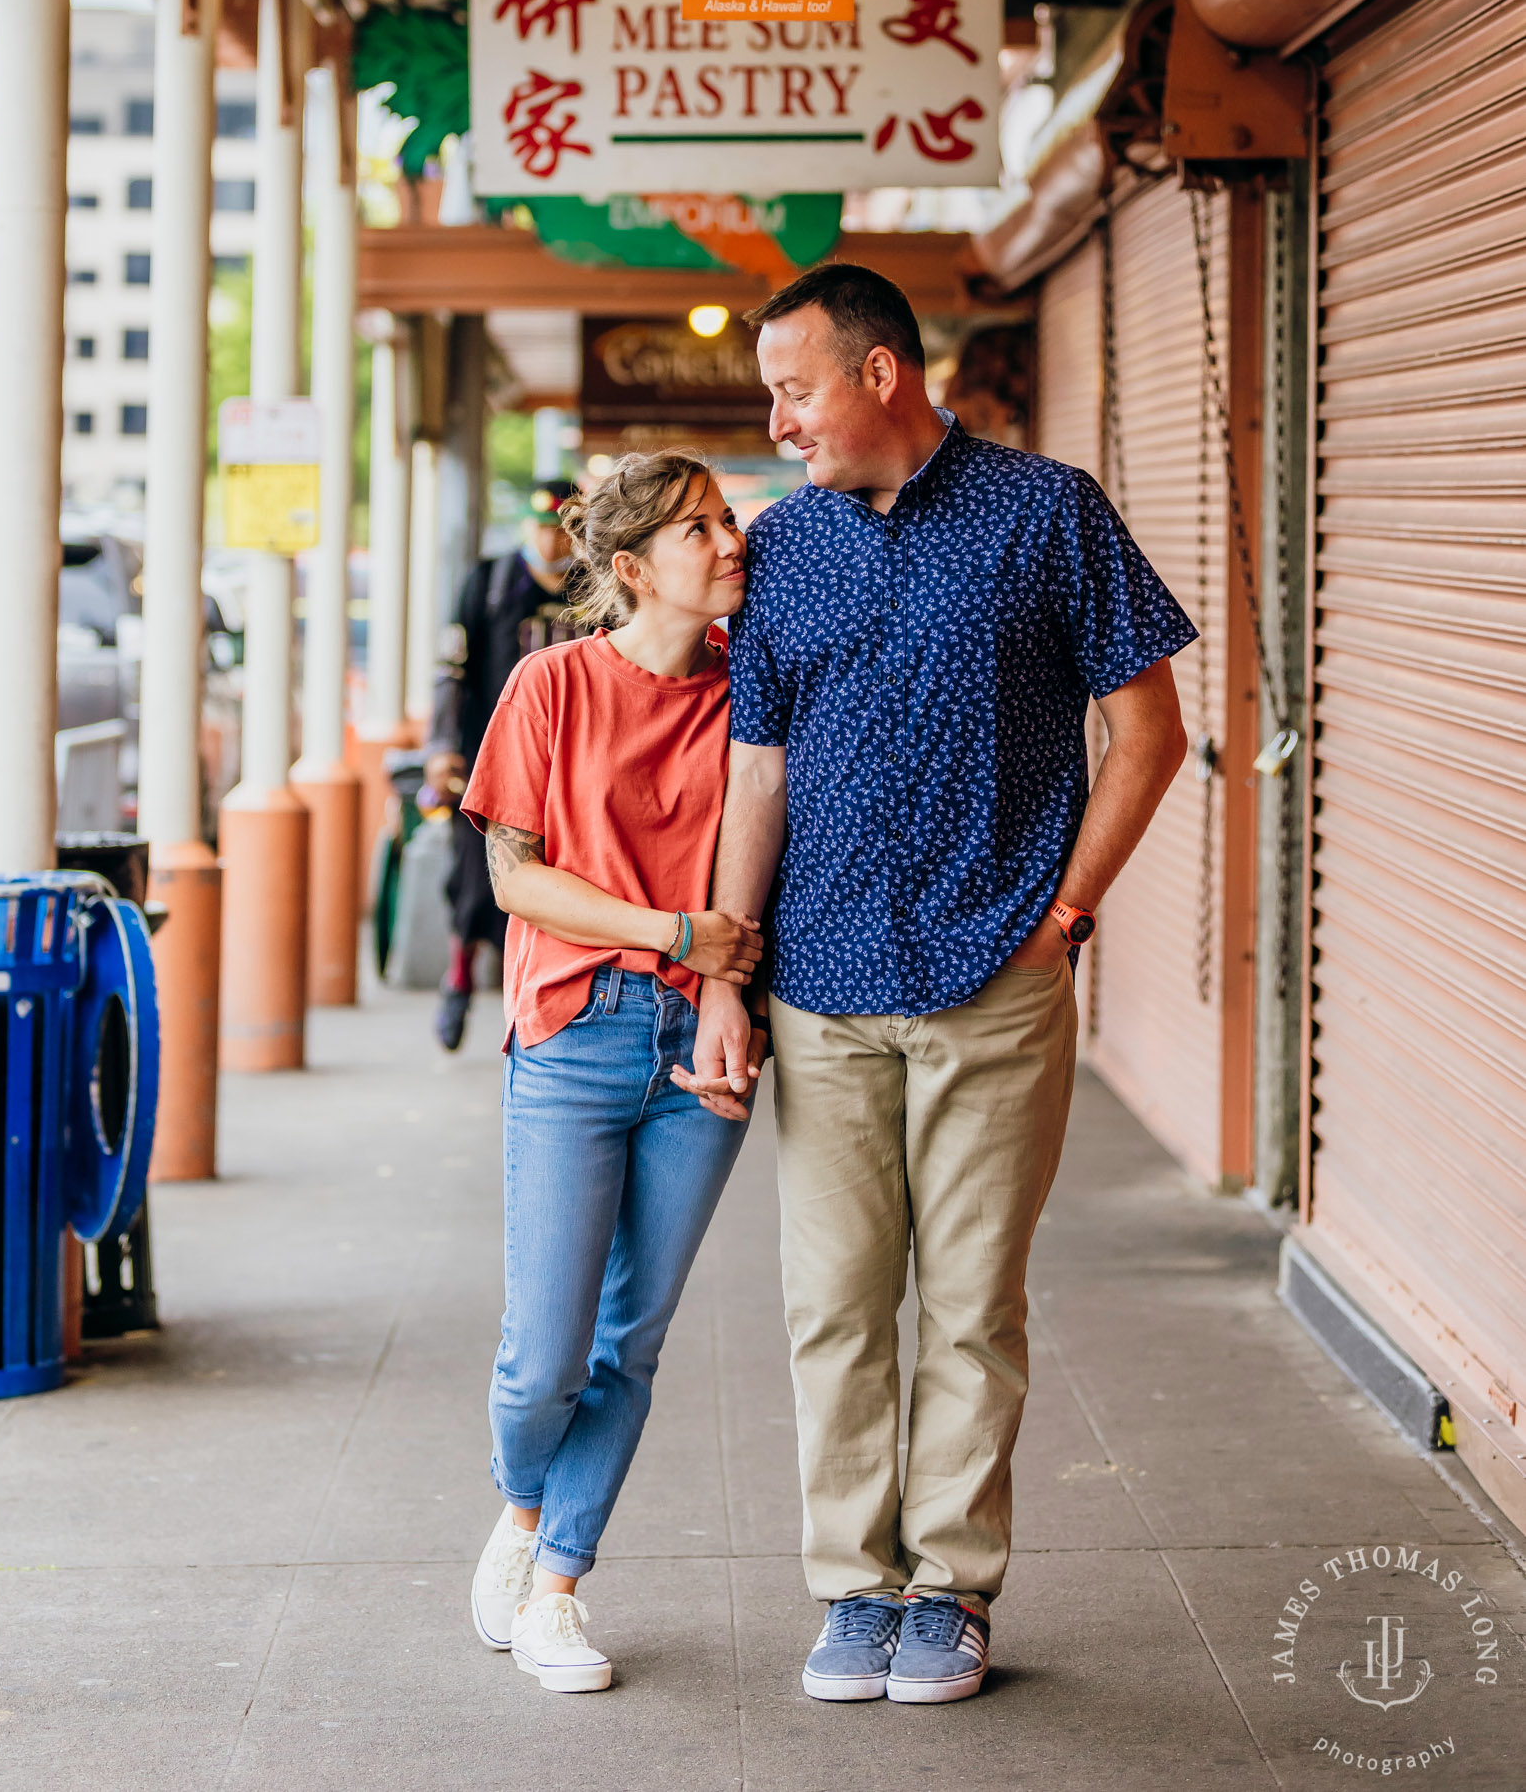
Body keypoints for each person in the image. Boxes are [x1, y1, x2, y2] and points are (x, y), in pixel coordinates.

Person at [674, 262, 1193, 1707]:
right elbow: (755, 771)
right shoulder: (778, 553)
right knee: (831, 1305)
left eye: (791, 387)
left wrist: (1068, 912)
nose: (775, 419)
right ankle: (852, 1589)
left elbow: (1148, 728)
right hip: (820, 985)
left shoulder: (1048, 513)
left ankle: (947, 1591)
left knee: (971, 1305)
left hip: (995, 978)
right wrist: (723, 968)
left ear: (880, 374)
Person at [459, 451, 763, 1694]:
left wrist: (719, 983)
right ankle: (523, 1512)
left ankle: (559, 1585)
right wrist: (671, 933)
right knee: (544, 1352)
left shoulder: (754, 693)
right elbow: (513, 877)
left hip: (704, 1041)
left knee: (628, 1342)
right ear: (632, 567)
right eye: (699, 527)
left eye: (727, 516)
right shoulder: (551, 684)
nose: (728, 537)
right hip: (576, 1028)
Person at [425, 481, 585, 1051]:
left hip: (566, 763)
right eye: (541, 526)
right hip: (485, 760)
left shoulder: (592, 586)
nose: (549, 538)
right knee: (473, 881)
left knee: (562, 880)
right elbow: (452, 669)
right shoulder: (490, 582)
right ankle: (460, 979)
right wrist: (442, 747)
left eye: (561, 527)